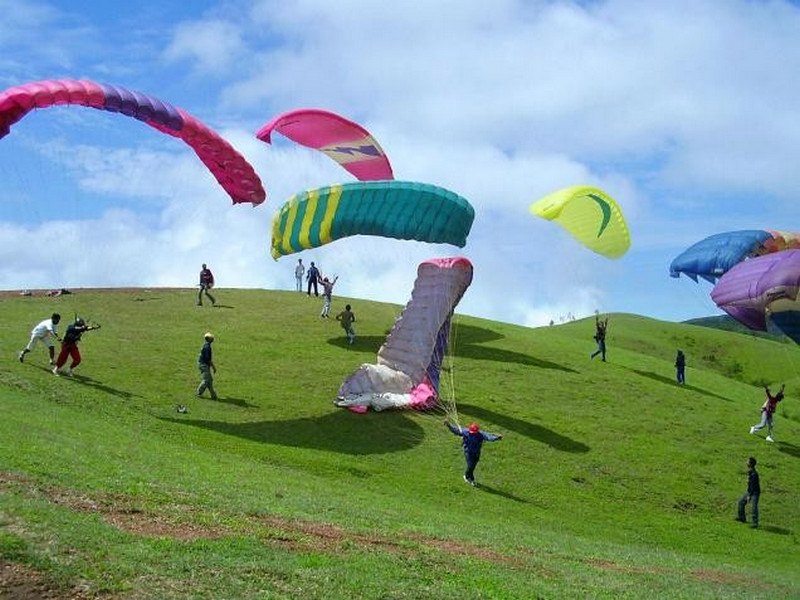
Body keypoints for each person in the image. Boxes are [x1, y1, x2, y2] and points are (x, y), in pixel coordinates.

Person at [445, 421, 503, 486]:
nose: (473, 434)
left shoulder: (481, 434)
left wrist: (496, 438)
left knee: (473, 466)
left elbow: (489, 437)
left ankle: (471, 479)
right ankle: (467, 477)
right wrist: (449, 426)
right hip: (468, 451)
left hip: (476, 452)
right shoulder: (465, 432)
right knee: (470, 465)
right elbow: (456, 430)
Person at [737, 456, 760, 528]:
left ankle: (755, 523)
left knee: (754, 507)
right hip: (749, 491)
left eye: (747, 461)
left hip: (755, 493)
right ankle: (742, 518)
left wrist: (749, 496)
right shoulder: (750, 472)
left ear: (750, 464)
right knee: (741, 502)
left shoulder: (754, 474)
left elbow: (753, 486)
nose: (746, 462)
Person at [196, 331, 218, 400]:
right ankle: (199, 393)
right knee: (206, 380)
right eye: (211, 338)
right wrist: (213, 367)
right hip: (204, 365)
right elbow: (208, 359)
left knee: (209, 380)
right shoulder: (207, 347)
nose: (213, 339)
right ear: (208, 339)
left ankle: (213, 395)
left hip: (203, 364)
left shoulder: (206, 345)